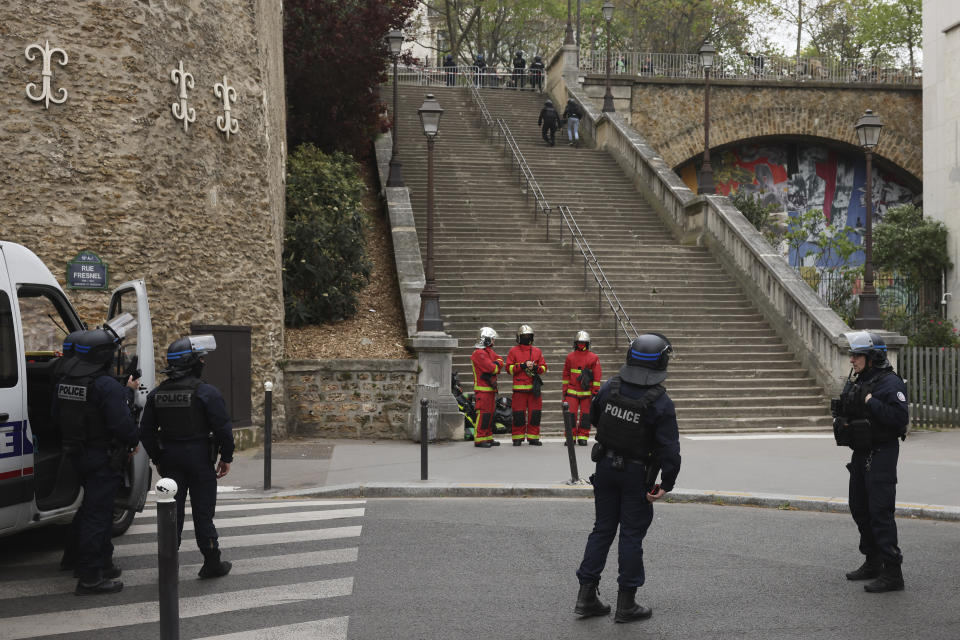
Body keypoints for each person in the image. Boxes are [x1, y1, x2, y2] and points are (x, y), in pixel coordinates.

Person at [574, 333, 681, 623]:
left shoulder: (610, 387)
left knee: (602, 530)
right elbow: (670, 450)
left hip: (606, 468)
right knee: (631, 536)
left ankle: (585, 598)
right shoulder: (660, 402)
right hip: (637, 474)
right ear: (661, 362)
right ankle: (627, 604)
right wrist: (666, 485)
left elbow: (596, 419)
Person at [55, 319, 140, 595]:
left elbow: (56, 416)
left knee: (91, 509)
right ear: (104, 356)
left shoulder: (66, 380)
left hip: (76, 453)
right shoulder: (106, 387)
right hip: (102, 457)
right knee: (98, 515)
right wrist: (134, 439)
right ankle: (90, 576)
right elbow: (122, 425)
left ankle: (91, 561)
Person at [141, 335, 235, 579]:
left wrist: (158, 458)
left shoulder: (156, 394)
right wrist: (226, 457)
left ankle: (169, 567)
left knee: (171, 514)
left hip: (170, 458)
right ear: (192, 362)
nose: (203, 361)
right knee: (203, 513)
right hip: (200, 458)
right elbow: (223, 428)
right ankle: (212, 561)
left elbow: (146, 432)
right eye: (200, 358)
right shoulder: (206, 392)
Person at [831, 330, 908, 593]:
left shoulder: (890, 384)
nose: (851, 359)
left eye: (856, 355)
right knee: (859, 507)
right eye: (852, 355)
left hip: (882, 453)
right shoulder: (861, 379)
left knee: (880, 511)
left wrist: (870, 401)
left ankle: (893, 572)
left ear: (872, 357)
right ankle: (873, 561)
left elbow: (899, 419)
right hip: (861, 452)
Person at [506, 324, 548, 446]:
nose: (526, 338)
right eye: (524, 336)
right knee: (518, 414)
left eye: (528, 336)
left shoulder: (537, 351)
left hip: (534, 389)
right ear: (519, 337)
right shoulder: (513, 351)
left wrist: (536, 367)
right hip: (519, 390)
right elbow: (509, 369)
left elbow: (544, 367)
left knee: (535, 414)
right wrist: (522, 366)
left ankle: (533, 437)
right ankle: (517, 438)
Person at [563, 330, 602, 445]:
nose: (581, 344)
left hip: (587, 393)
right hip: (572, 392)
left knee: (586, 416)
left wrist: (595, 391)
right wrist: (565, 390)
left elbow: (597, 375)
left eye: (584, 342)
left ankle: (583, 437)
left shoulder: (593, 357)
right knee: (571, 415)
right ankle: (570, 437)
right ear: (575, 343)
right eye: (579, 342)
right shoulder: (570, 357)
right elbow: (566, 375)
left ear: (588, 343)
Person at [470, 326, 504, 448]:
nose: (494, 342)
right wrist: (497, 365)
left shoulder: (488, 352)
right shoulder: (479, 354)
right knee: (483, 414)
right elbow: (492, 368)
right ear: (486, 339)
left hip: (490, 389)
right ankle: (479, 439)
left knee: (490, 414)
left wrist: (497, 363)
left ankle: (488, 437)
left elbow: (500, 360)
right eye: (492, 339)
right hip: (482, 390)